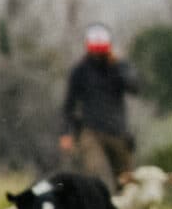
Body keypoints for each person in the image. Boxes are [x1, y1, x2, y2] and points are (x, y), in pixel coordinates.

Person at [58, 24, 143, 179]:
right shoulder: (80, 71)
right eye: (94, 51)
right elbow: (69, 105)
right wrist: (66, 133)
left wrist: (117, 67)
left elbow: (134, 87)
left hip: (118, 132)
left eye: (101, 50)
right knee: (97, 176)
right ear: (88, 48)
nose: (98, 55)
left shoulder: (119, 66)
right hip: (91, 133)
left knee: (126, 181)